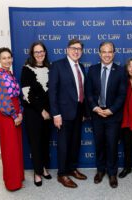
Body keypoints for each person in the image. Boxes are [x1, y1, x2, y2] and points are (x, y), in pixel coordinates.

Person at [86, 41, 127, 188]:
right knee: (99, 145)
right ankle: (100, 171)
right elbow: (88, 93)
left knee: (111, 146)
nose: (107, 54)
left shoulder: (121, 71)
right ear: (99, 53)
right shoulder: (92, 70)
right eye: (104, 51)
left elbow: (122, 94)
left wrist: (111, 110)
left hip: (113, 115)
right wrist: (95, 108)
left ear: (114, 54)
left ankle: (112, 173)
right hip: (97, 115)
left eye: (110, 52)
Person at [49, 39, 88, 188]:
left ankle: (72, 169)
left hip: (78, 112)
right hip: (63, 114)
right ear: (67, 49)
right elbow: (52, 92)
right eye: (73, 48)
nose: (76, 51)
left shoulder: (82, 67)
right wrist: (56, 114)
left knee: (74, 143)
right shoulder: (57, 66)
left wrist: (84, 111)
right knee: (64, 145)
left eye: (79, 49)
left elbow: (81, 90)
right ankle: (62, 174)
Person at [0, 47, 24, 191]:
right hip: (7, 115)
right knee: (9, 148)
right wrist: (14, 114)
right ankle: (12, 183)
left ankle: (18, 177)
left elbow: (18, 96)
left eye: (9, 57)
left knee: (16, 147)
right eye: (3, 58)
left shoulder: (11, 74)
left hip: (17, 112)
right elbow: (2, 98)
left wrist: (21, 112)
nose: (7, 60)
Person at [20, 42, 52, 187]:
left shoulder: (50, 68)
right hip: (34, 112)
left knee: (45, 141)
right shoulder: (27, 69)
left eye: (41, 51)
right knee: (36, 143)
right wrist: (41, 110)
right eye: (36, 52)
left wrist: (50, 110)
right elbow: (27, 94)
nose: (39, 54)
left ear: (45, 52)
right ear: (32, 54)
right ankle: (37, 172)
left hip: (48, 113)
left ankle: (44, 167)